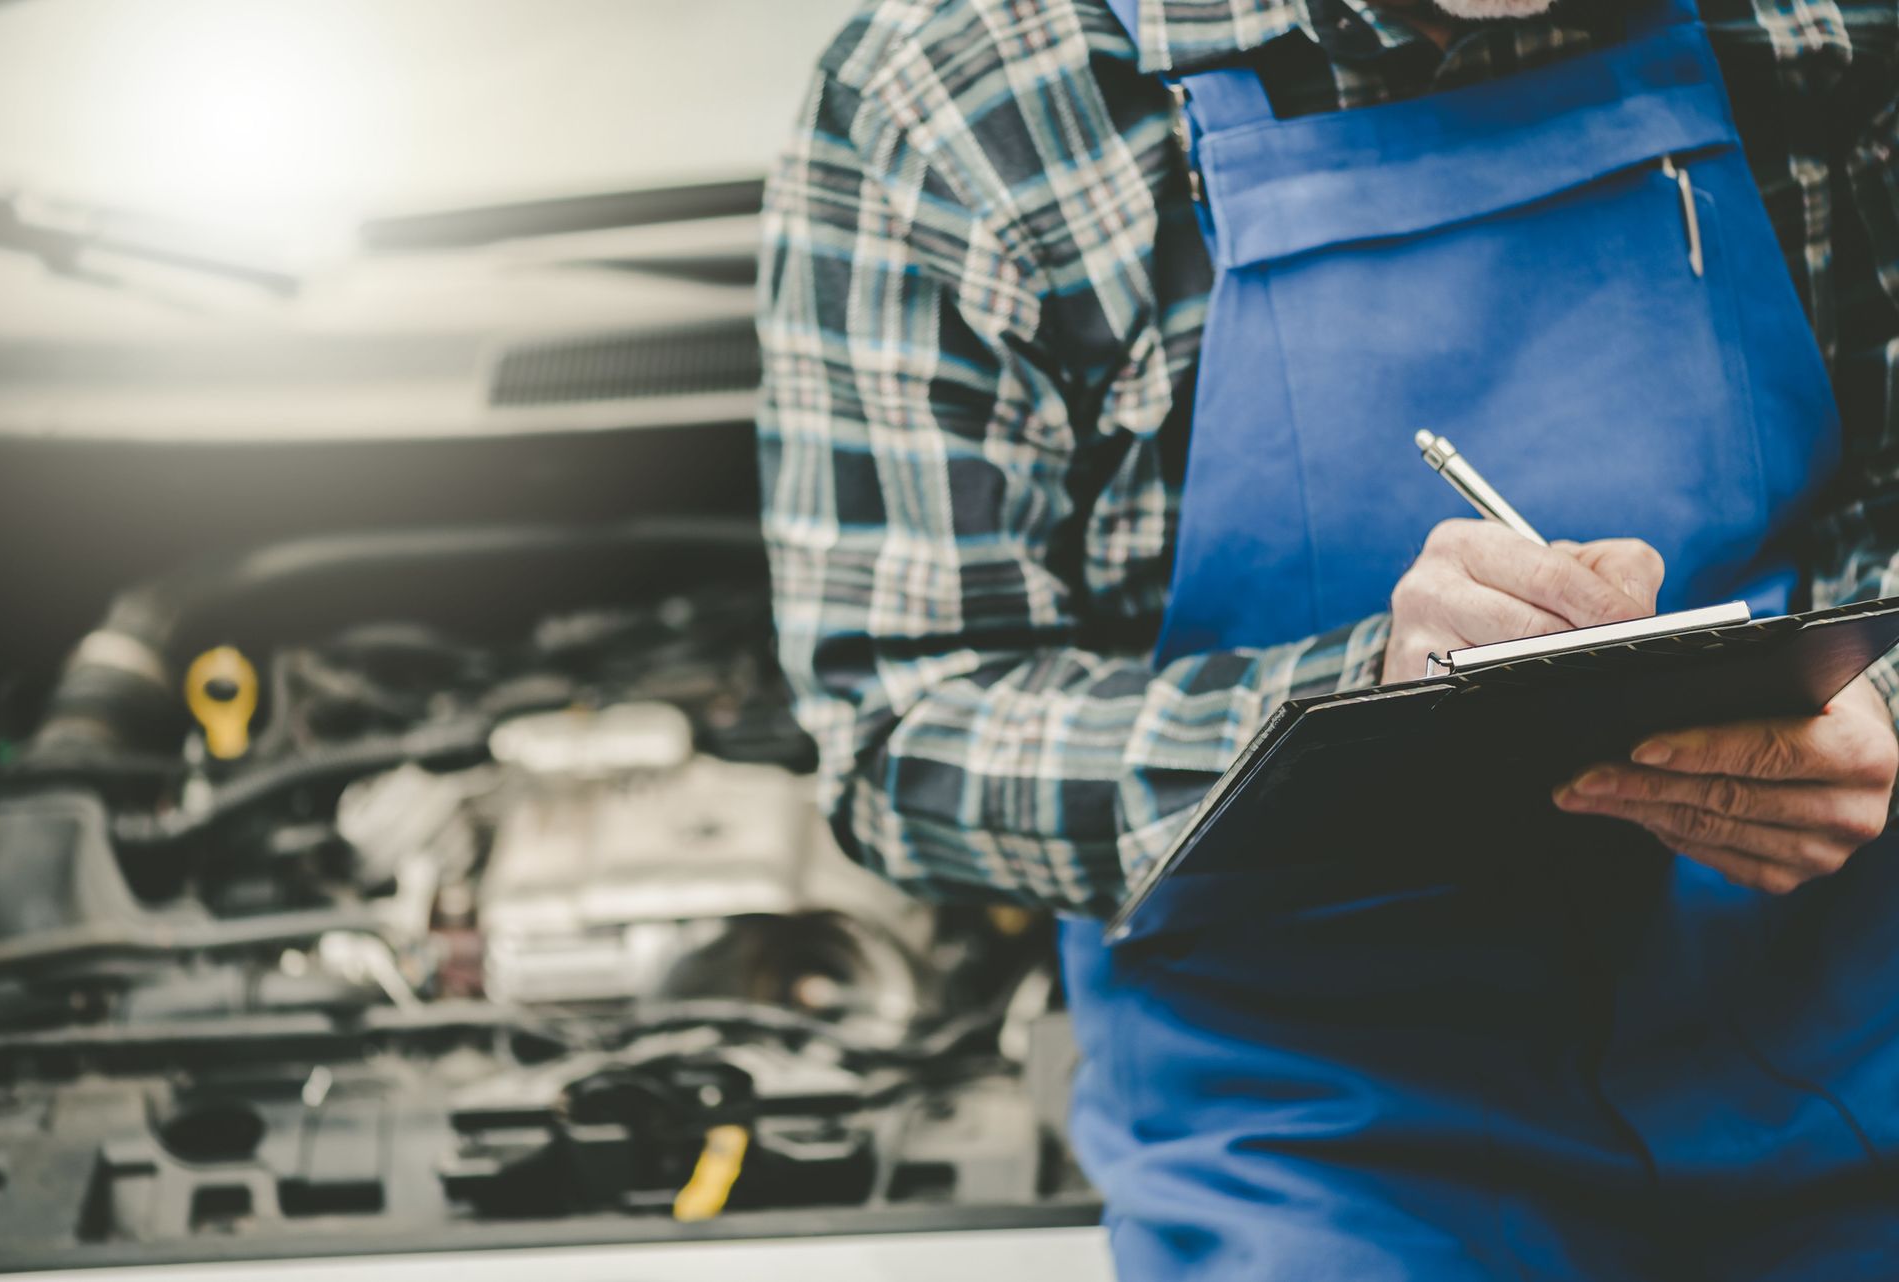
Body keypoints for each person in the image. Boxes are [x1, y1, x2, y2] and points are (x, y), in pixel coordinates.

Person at [756, 0, 1899, 1275]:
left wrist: (1884, 697)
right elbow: (905, 729)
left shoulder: (1830, 26)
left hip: (1836, 1048)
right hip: (1318, 1139)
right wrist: (1364, 704)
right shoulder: (967, 99)